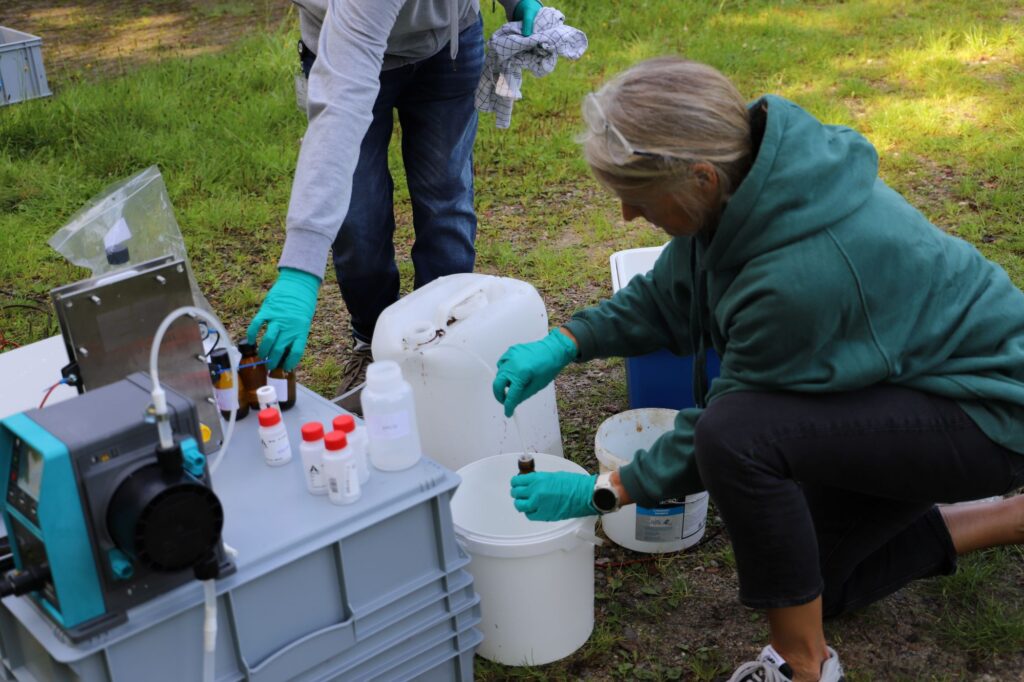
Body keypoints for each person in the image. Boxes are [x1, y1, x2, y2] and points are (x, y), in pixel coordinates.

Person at [491, 57, 1024, 682]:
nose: (629, 215)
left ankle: (803, 666)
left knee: (739, 439)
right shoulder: (742, 182)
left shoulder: (796, 280)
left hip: (989, 412)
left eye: (637, 197)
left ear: (701, 177)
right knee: (816, 586)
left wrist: (604, 491)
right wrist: (566, 342)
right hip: (906, 380)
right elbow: (667, 295)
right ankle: (1012, 517)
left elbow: (722, 428)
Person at [246, 0, 543, 407]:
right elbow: (340, 116)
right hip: (347, 39)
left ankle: (445, 344)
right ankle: (373, 345)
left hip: (449, 46)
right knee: (359, 218)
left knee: (447, 202)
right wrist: (301, 268)